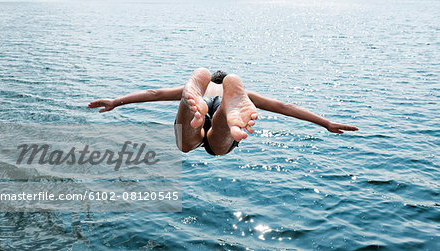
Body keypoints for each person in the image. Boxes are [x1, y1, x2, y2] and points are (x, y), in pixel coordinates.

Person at [88, 68, 358, 156]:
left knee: (185, 144)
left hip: (200, 100)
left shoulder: (204, 90)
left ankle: (190, 101)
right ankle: (224, 116)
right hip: (225, 116)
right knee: (219, 139)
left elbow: (153, 95)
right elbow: (284, 107)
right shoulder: (241, 96)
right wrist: (324, 123)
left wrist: (116, 101)